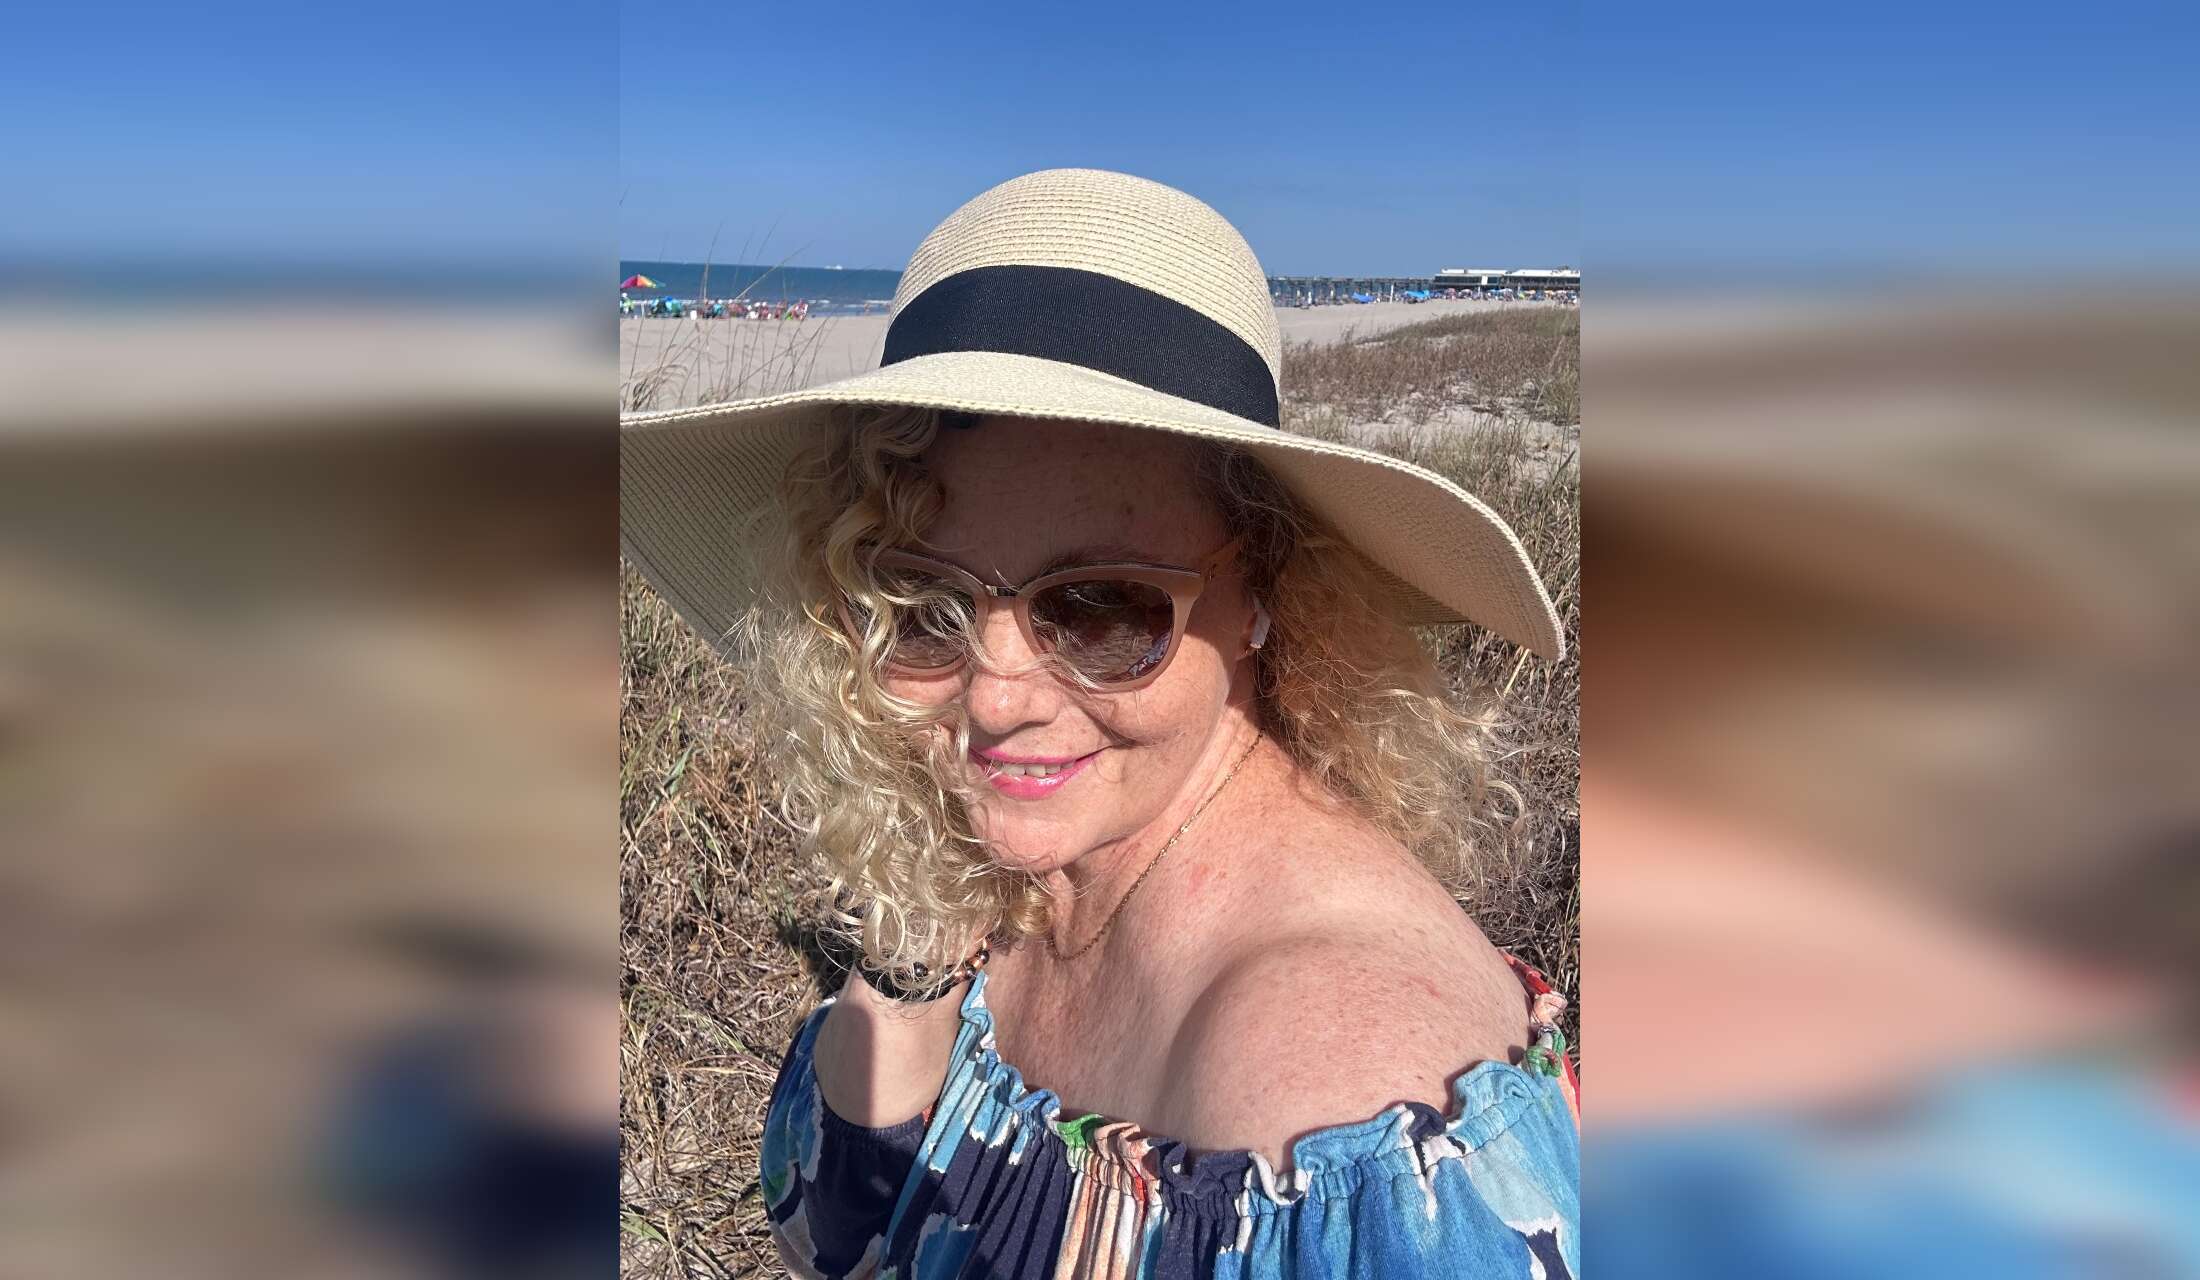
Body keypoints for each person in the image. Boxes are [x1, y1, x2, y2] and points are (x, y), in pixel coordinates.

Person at [619, 169, 1578, 1279]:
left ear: (1265, 592)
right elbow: (834, 1214)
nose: (996, 697)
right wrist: (919, 934)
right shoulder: (1009, 863)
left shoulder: (1343, 1102)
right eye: (918, 602)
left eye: (1100, 608)